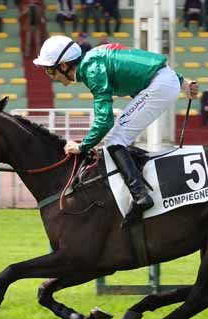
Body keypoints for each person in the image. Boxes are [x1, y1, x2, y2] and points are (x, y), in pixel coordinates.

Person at [32, 35, 199, 227]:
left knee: (115, 139)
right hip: (163, 81)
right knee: (118, 138)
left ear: (63, 65)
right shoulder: (93, 59)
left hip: (160, 85)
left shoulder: (92, 68)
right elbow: (143, 61)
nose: (51, 77)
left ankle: (140, 197)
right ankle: (139, 191)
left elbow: (104, 120)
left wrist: (83, 146)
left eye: (49, 71)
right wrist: (182, 82)